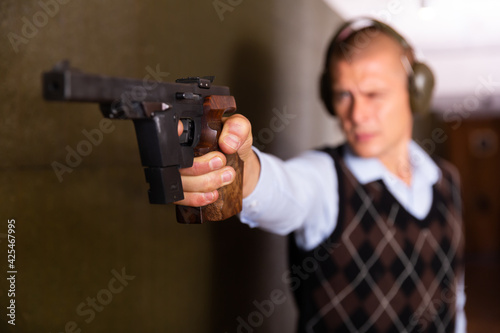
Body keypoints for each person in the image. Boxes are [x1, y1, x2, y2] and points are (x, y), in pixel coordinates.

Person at [176, 18, 466, 333]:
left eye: (373, 94)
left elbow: (454, 293)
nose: (356, 114)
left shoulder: (446, 179)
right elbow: (283, 187)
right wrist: (238, 168)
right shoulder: (326, 178)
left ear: (414, 92)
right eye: (344, 95)